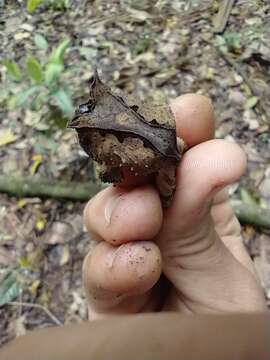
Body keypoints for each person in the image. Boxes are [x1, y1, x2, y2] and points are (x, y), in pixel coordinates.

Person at [0, 94, 269, 360]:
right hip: (160, 142)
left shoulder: (107, 138)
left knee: (141, 208)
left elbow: (110, 171)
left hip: (160, 152)